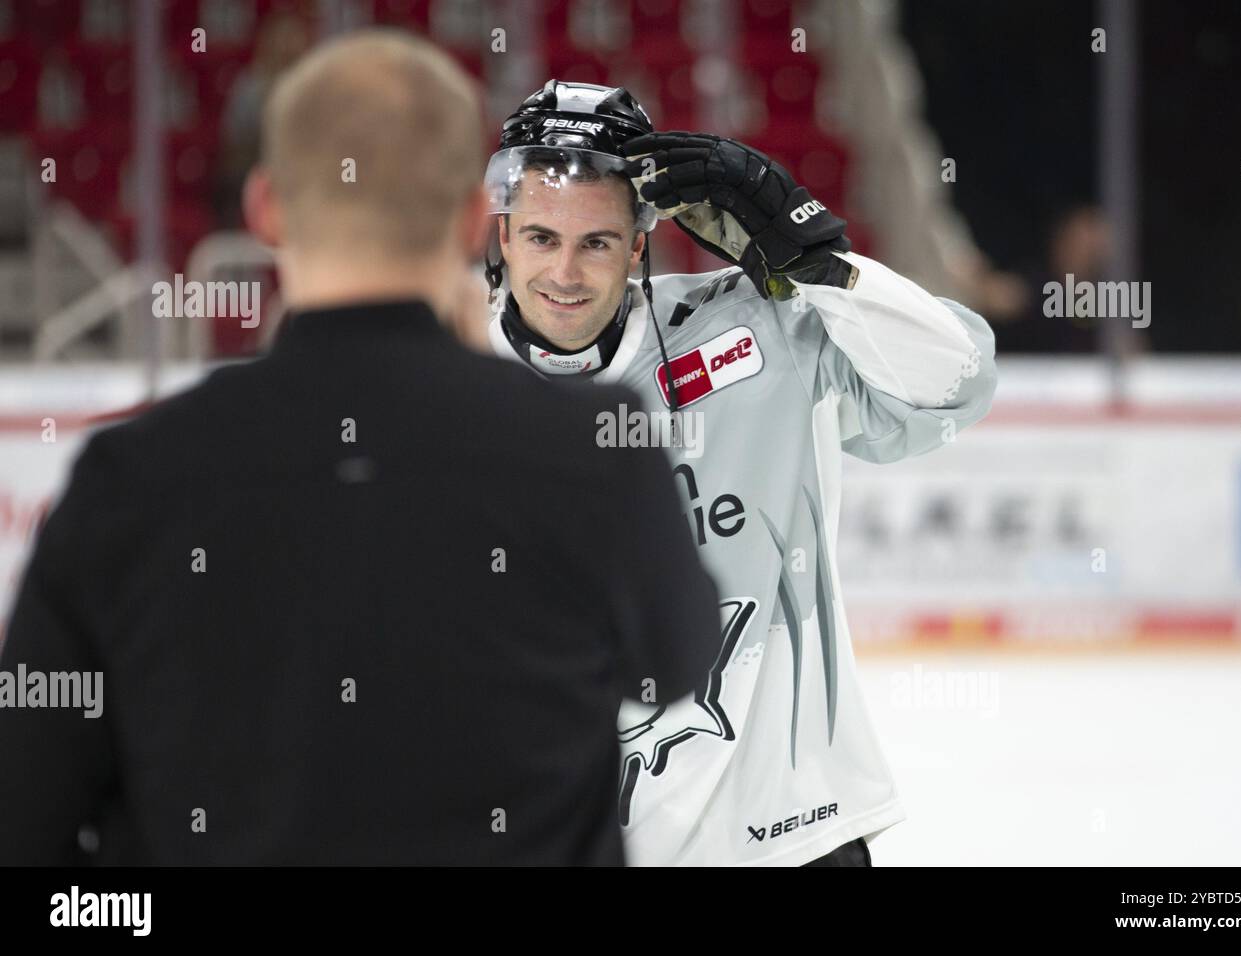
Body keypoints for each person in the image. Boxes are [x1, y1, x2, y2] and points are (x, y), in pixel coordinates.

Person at [0, 34, 718, 866]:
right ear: (470, 221)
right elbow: (679, 663)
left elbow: (26, 823)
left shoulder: (130, 476)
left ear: (265, 207)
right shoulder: (592, 449)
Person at [481, 80, 999, 866]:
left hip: (791, 836)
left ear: (638, 245)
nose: (566, 273)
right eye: (543, 238)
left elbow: (958, 383)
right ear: (504, 236)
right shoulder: (447, 389)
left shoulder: (754, 328)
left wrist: (822, 262)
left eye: (596, 242)